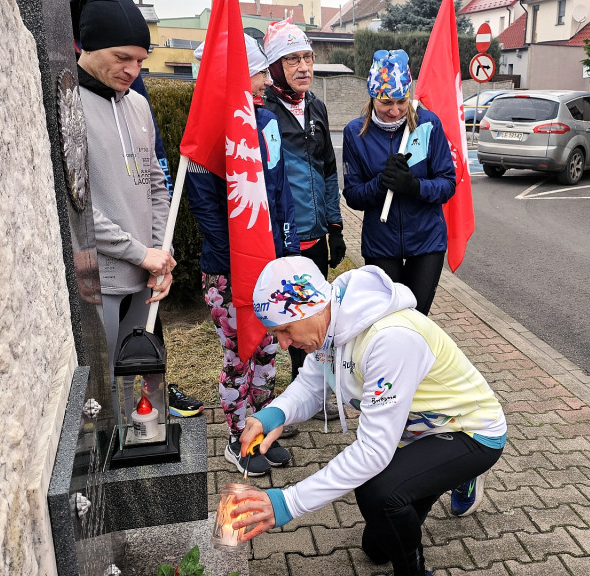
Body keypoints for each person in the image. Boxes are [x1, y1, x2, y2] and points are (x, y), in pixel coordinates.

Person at [230, 256, 507, 576]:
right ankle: (447, 473)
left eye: (284, 330)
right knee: (376, 548)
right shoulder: (328, 322)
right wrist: (271, 415)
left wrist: (288, 503)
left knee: (379, 493)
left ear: (310, 306)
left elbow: (373, 453)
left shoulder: (389, 339)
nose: (283, 344)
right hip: (420, 433)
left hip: (471, 431)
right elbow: (310, 384)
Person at [69, 0, 204, 419]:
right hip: (99, 282)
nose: (132, 70)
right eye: (121, 57)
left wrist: (161, 255)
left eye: (141, 60)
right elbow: (75, 205)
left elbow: (156, 187)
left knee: (142, 391)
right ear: (86, 47)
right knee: (100, 398)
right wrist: (139, 252)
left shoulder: (138, 105)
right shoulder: (66, 106)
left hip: (145, 276)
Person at [186, 34, 302, 476]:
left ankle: (260, 429)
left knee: (270, 348)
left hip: (271, 264)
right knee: (239, 356)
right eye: (255, 72)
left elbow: (280, 191)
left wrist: (287, 250)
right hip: (229, 269)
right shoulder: (207, 132)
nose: (263, 81)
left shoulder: (267, 119)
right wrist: (237, 261)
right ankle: (238, 439)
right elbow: (208, 209)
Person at [260, 18, 345, 384]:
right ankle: (298, 384)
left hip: (315, 234)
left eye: (307, 57)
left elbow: (328, 171)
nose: (304, 67)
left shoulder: (317, 107)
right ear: (275, 67)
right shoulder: (262, 109)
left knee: (314, 316)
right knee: (289, 318)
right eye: (292, 59)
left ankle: (315, 382)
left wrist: (336, 226)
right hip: (282, 238)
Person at [342, 50, 457, 315]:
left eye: (401, 101)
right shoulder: (354, 133)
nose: (395, 111)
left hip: (426, 240)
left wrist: (414, 187)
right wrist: (381, 183)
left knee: (416, 320)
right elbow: (353, 195)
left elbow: (447, 183)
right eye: (386, 102)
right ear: (373, 97)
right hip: (381, 242)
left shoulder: (429, 124)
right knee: (388, 320)